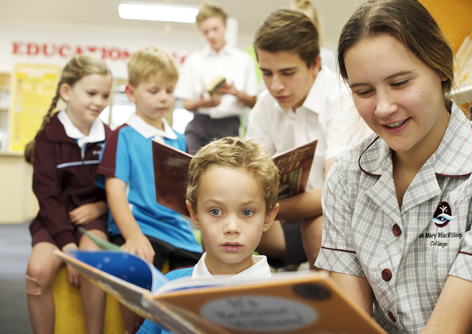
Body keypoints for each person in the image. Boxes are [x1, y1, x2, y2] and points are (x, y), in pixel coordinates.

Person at [315, 0, 472, 333]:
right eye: (363, 91)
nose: (383, 107)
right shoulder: (346, 177)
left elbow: (449, 328)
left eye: (399, 83)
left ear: (440, 66)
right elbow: (355, 324)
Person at [247, 9, 371, 270]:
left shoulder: (341, 98)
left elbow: (336, 194)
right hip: (288, 215)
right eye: (266, 73)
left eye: (287, 73)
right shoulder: (264, 105)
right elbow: (249, 180)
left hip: (343, 213)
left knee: (319, 231)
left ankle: (325, 308)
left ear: (315, 64)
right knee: (224, 227)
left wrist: (261, 209)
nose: (275, 86)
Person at [96, 46, 203, 332]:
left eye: (169, 90)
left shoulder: (179, 140)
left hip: (176, 231)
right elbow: (115, 191)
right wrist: (133, 236)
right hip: (138, 228)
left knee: (200, 278)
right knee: (135, 277)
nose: (163, 98)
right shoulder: (123, 136)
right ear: (131, 93)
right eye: (154, 90)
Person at [134, 136, 280, 334]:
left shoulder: (284, 303)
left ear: (268, 217)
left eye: (247, 212)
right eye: (215, 212)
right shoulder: (169, 286)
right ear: (194, 214)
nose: (231, 227)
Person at [24, 54, 113, 334]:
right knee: (37, 274)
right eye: (91, 93)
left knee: (93, 265)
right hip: (53, 221)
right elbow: (47, 196)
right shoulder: (47, 138)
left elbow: (118, 189)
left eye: (105, 95)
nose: (99, 101)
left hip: (92, 221)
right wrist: (68, 247)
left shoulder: (111, 137)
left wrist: (99, 208)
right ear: (66, 92)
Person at [175, 1, 259, 154]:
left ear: (225, 26)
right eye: (206, 31)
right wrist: (203, 103)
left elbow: (253, 101)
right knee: (192, 170)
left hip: (230, 126)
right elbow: (186, 103)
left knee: (226, 173)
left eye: (215, 29)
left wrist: (235, 92)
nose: (211, 35)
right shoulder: (193, 60)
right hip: (198, 125)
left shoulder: (244, 59)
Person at [289, 0, 337, 72]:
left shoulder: (329, 58)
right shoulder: (283, 57)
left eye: (304, 24)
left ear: (315, 26)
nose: (299, 30)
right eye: (294, 24)